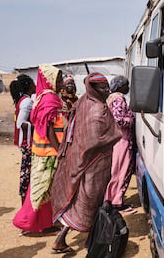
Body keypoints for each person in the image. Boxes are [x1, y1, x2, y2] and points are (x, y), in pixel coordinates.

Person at [50, 72, 121, 253]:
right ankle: (88, 240)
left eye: (107, 86)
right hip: (94, 162)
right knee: (90, 200)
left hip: (80, 159)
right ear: (93, 88)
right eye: (102, 87)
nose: (106, 90)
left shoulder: (83, 101)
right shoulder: (99, 109)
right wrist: (116, 133)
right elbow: (97, 137)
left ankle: (80, 238)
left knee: (80, 198)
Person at [12, 64, 64, 235]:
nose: (62, 82)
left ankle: (45, 223)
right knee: (41, 189)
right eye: (58, 79)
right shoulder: (50, 99)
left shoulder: (42, 97)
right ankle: (27, 222)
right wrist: (59, 150)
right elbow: (49, 128)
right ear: (50, 80)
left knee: (44, 188)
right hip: (48, 152)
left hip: (42, 151)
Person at [104, 75, 137, 214]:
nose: (128, 88)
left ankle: (109, 199)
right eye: (126, 85)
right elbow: (118, 120)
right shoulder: (118, 99)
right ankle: (117, 202)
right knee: (121, 169)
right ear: (120, 86)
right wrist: (131, 120)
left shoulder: (111, 98)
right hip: (122, 139)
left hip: (116, 139)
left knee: (115, 169)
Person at [9, 74, 36, 205]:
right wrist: (37, 126)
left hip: (25, 144)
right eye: (33, 83)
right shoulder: (27, 102)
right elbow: (21, 123)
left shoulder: (23, 100)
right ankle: (25, 205)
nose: (35, 86)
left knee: (27, 174)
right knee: (28, 175)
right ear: (29, 86)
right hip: (28, 144)